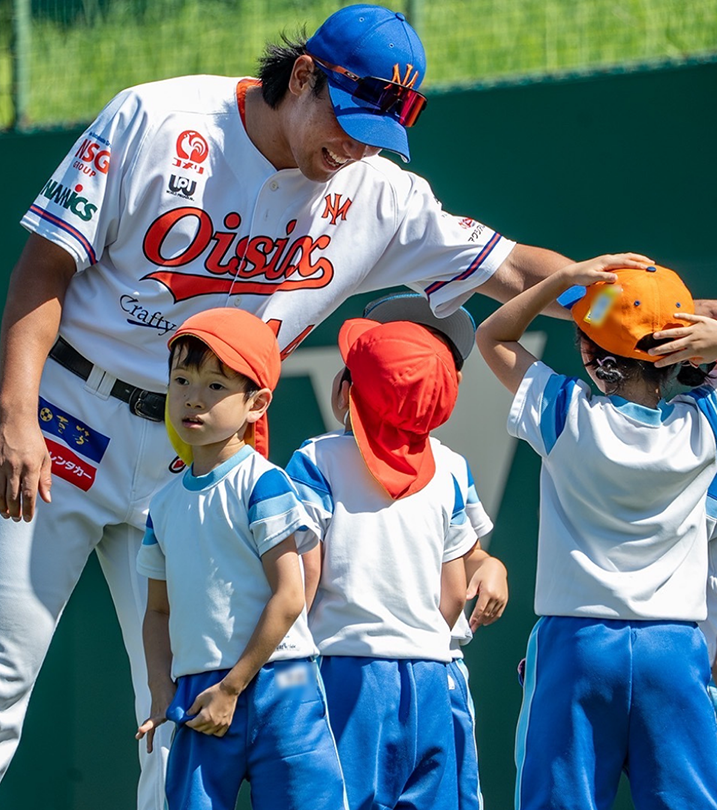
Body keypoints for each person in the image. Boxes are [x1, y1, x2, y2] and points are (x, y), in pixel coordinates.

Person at [0, 1, 619, 805]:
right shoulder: (156, 119)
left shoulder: (375, 192)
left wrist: (636, 311)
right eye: (348, 120)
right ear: (301, 76)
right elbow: (41, 271)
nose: (355, 146)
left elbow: (513, 273)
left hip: (199, 459)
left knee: (188, 702)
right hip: (65, 421)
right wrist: (15, 415)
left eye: (376, 134)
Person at [475, 253, 717, 809]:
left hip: (578, 644)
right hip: (675, 648)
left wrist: (560, 281)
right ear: (678, 353)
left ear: (589, 353)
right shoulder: (704, 423)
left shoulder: (566, 415)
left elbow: (494, 335)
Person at [134, 307, 346, 810]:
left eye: (215, 386)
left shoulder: (265, 482)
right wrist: (162, 690)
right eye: (182, 379)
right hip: (199, 693)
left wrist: (232, 687)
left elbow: (290, 596)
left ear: (257, 404)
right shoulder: (161, 506)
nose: (192, 397)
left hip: (284, 684)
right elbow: (157, 611)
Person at [286, 316, 482, 809]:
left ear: (347, 392)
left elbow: (305, 577)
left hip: (343, 673)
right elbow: (454, 594)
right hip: (432, 674)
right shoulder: (452, 466)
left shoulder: (315, 458)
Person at [362, 291, 508, 810]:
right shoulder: (321, 460)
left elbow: (468, 553)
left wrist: (492, 566)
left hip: (438, 669)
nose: (409, 368)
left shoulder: (451, 466)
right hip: (355, 668)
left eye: (431, 358)